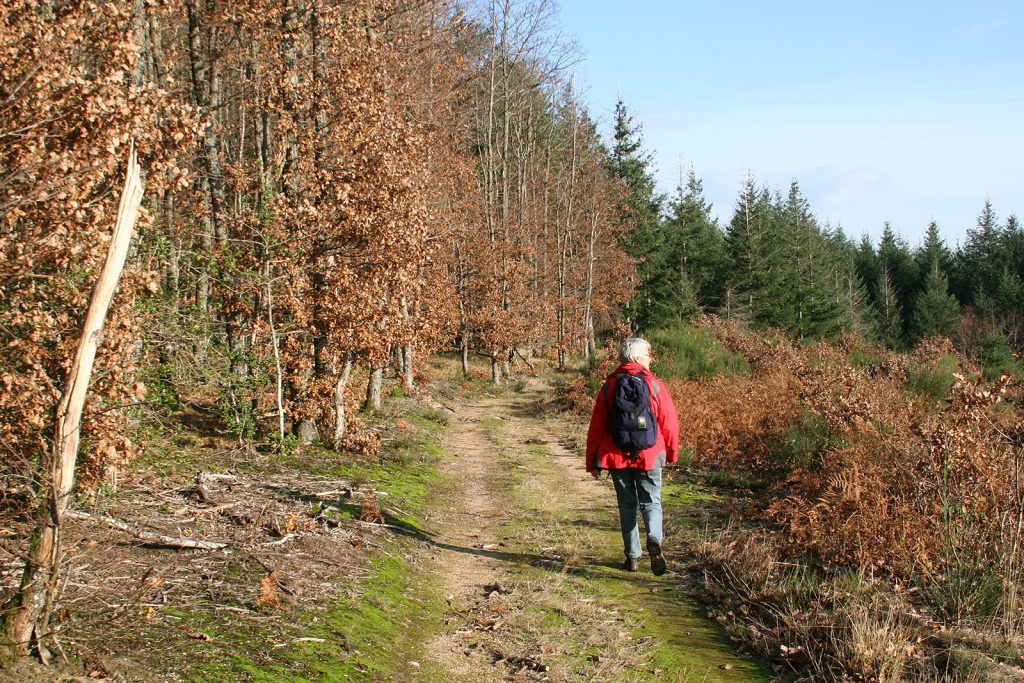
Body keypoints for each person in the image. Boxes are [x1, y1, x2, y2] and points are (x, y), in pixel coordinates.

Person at [585, 337, 679, 574]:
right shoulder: (654, 385)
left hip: (616, 454)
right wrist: (672, 452)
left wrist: (592, 462)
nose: (651, 357)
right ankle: (654, 539)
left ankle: (633, 557)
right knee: (651, 502)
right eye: (648, 353)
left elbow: (597, 427)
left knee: (627, 505)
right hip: (650, 453)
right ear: (638, 357)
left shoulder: (609, 386)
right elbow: (669, 422)